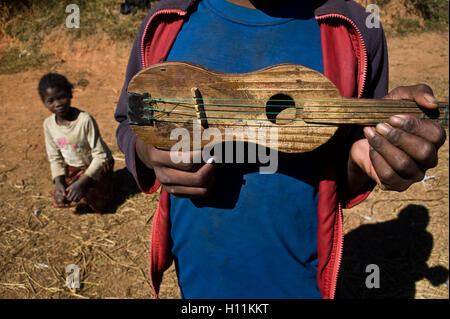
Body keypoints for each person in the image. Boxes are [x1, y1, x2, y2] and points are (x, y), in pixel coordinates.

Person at [114, 0, 446, 298]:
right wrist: (148, 152)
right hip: (199, 274)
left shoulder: (353, 29)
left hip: (303, 281)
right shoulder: (166, 21)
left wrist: (369, 160)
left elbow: (347, 172)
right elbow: (130, 122)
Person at [40, 73, 114, 213]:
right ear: (44, 103)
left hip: (97, 165)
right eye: (51, 101)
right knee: (62, 196)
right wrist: (59, 183)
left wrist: (81, 183)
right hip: (74, 168)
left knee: (89, 196)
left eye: (61, 97)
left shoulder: (84, 120)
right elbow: (55, 158)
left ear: (70, 94)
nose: (58, 104)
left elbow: (101, 156)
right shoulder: (48, 124)